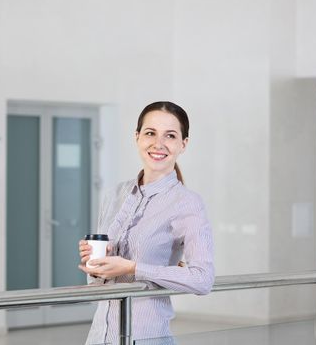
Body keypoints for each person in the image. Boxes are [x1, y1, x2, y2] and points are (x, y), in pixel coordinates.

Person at [78, 101, 215, 344]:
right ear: (137, 137)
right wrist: (96, 264)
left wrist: (132, 268)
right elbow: (95, 284)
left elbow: (203, 279)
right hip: (99, 337)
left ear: (183, 144)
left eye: (170, 136)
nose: (158, 143)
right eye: (150, 133)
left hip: (147, 337)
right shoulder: (114, 195)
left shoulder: (187, 203)